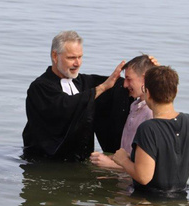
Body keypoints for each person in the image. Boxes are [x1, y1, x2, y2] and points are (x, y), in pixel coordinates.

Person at [22, 30, 133, 161]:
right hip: (44, 162)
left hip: (80, 160)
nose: (77, 63)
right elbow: (65, 105)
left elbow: (119, 85)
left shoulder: (84, 83)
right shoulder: (40, 87)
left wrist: (147, 71)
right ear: (55, 56)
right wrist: (101, 88)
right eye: (71, 58)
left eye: (80, 57)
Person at [112, 66, 189, 193]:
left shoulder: (148, 128)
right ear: (176, 91)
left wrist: (123, 160)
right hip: (180, 199)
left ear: (148, 92)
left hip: (149, 202)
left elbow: (144, 177)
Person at [90, 55, 155, 169]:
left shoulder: (151, 113)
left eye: (129, 79)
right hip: (125, 179)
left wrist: (110, 164)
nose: (124, 85)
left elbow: (148, 167)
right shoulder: (134, 105)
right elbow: (129, 154)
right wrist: (109, 159)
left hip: (136, 183)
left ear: (145, 79)